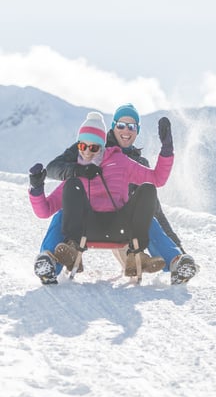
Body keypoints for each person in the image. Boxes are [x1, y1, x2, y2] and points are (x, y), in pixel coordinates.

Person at [38, 103, 196, 285]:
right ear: (112, 127)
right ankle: (49, 263)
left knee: (148, 201)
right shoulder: (86, 148)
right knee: (62, 213)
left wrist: (167, 150)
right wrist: (76, 171)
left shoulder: (128, 161)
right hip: (86, 223)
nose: (89, 150)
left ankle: (173, 262)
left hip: (123, 228)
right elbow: (53, 172)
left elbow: (154, 201)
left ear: (137, 131)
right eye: (121, 125)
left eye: (131, 126)